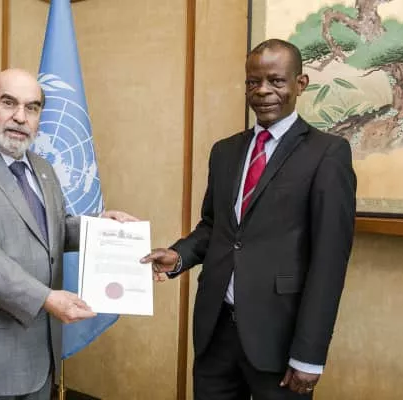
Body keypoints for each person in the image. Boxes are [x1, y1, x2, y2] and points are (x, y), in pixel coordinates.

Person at [141, 39, 356, 399]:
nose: (263, 91)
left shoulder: (328, 153)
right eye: (253, 82)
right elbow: (215, 226)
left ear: (300, 84)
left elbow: (329, 261)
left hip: (280, 338)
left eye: (276, 81)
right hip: (216, 331)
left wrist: (309, 354)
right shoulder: (225, 151)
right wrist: (179, 256)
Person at [0, 68, 136, 400]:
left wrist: (98, 227)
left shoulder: (43, 168)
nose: (20, 117)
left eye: (32, 107)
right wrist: (46, 298)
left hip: (39, 355)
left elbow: (53, 230)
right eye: (9, 103)